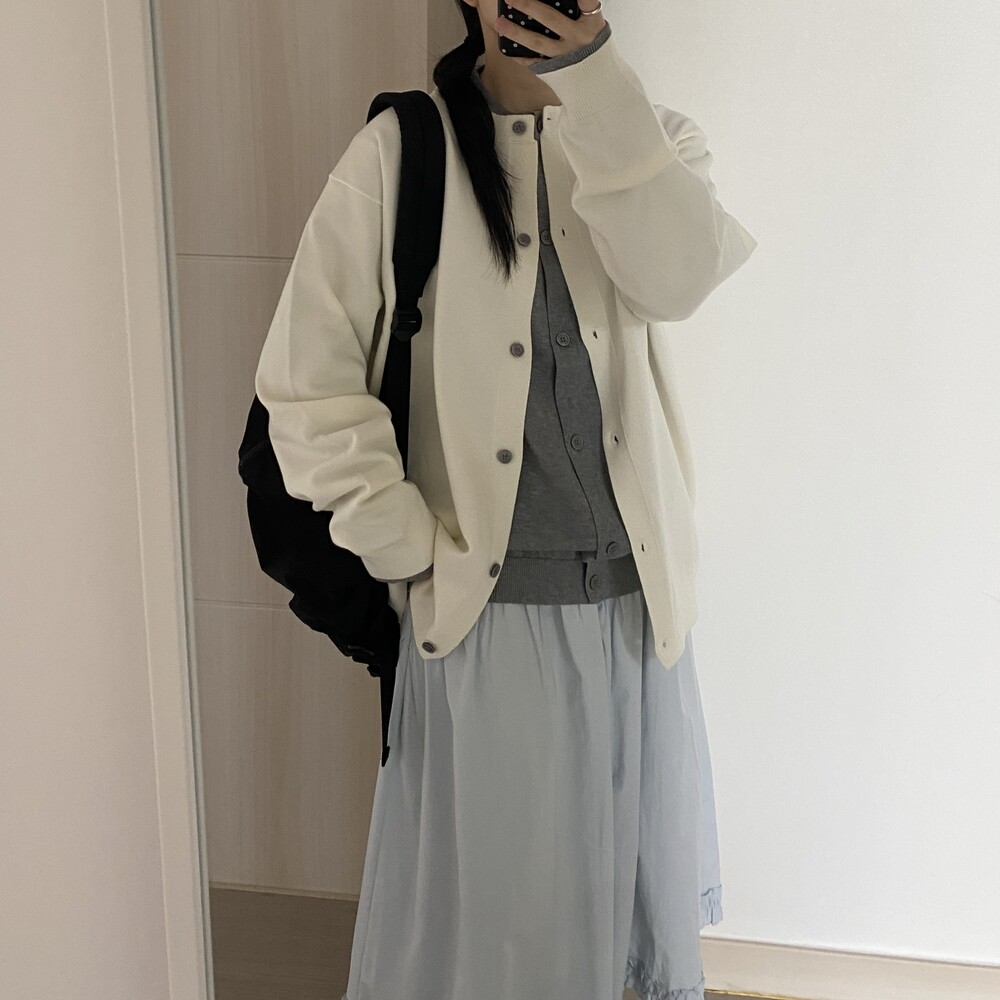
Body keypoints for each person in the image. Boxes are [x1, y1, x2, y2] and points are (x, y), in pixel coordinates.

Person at [254, 2, 758, 997]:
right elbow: (307, 389)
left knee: (621, 925)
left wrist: (596, 83)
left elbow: (678, 280)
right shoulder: (400, 155)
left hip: (639, 617)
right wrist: (409, 549)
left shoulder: (653, 139)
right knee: (507, 933)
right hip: (487, 616)